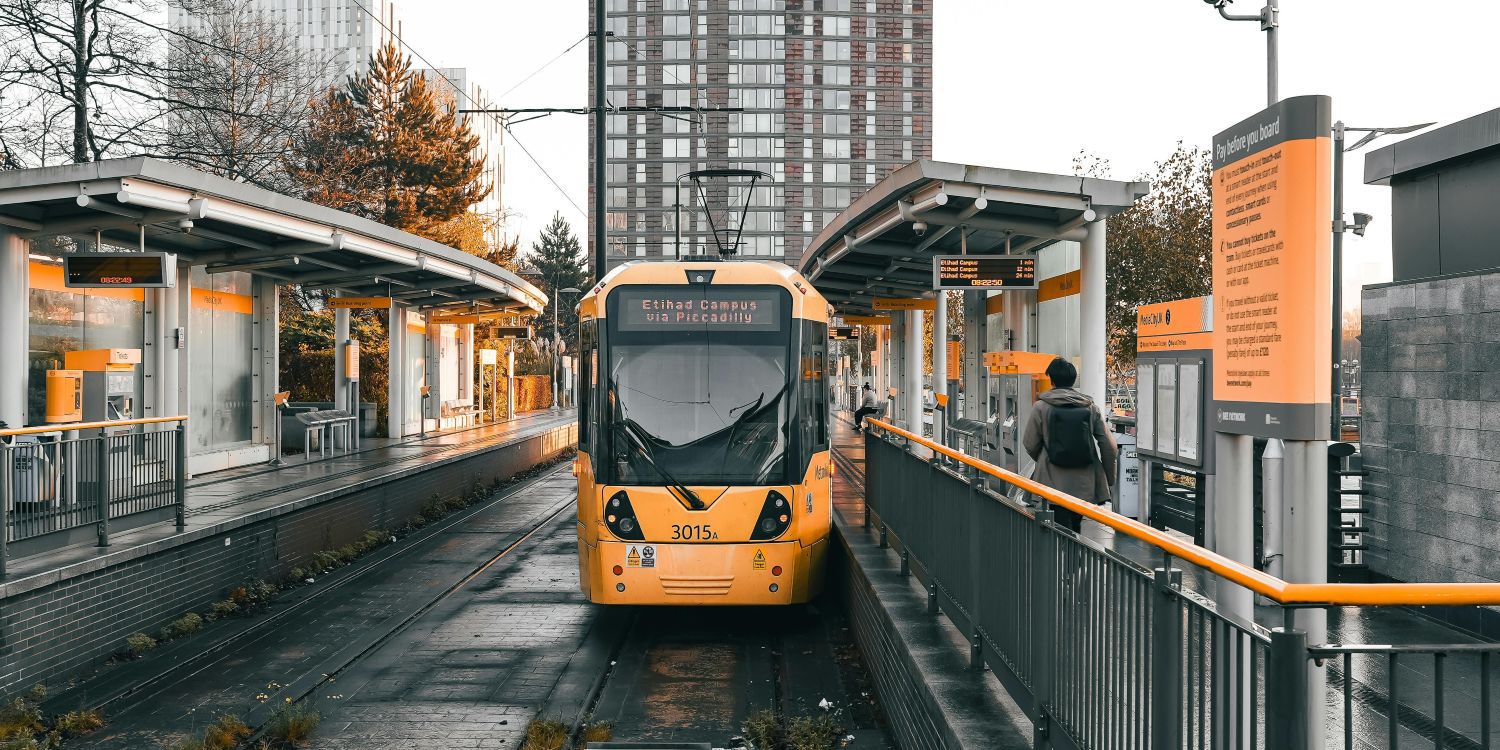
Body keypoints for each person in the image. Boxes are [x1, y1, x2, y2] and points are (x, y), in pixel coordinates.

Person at [1022, 358, 1118, 534]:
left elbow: (1029, 443)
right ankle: (1075, 559)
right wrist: (1109, 479)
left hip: (1051, 482)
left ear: (1051, 379)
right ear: (1074, 380)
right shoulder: (1091, 408)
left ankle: (1064, 559)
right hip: (1084, 481)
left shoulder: (1041, 407)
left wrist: (1045, 458)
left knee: (1059, 526)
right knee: (1075, 525)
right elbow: (1109, 446)